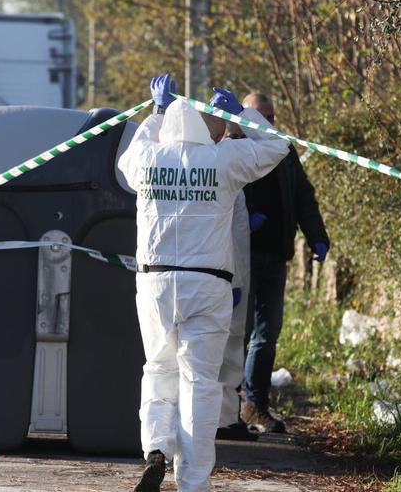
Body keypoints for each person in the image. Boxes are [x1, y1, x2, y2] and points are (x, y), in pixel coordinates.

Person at [119, 75, 289, 492]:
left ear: (167, 128)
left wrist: (156, 112)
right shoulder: (223, 160)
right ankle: (193, 481)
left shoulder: (149, 160)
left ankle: (155, 447)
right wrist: (241, 115)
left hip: (155, 283)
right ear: (204, 129)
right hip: (207, 285)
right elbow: (277, 146)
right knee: (200, 384)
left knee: (158, 368)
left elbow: (126, 159)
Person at [241, 93, 330, 434]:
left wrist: (316, 235)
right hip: (241, 255)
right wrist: (243, 217)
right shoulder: (234, 146)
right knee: (237, 334)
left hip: (275, 255)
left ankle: (255, 405)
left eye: (273, 117)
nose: (269, 124)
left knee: (266, 334)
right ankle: (226, 409)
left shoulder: (284, 150)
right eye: (261, 117)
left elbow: (303, 195)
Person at [216, 123, 255, 442]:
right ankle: (222, 419)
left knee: (230, 345)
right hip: (223, 276)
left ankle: (226, 417)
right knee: (223, 347)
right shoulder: (220, 174)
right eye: (233, 136)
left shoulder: (228, 175)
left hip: (228, 273)